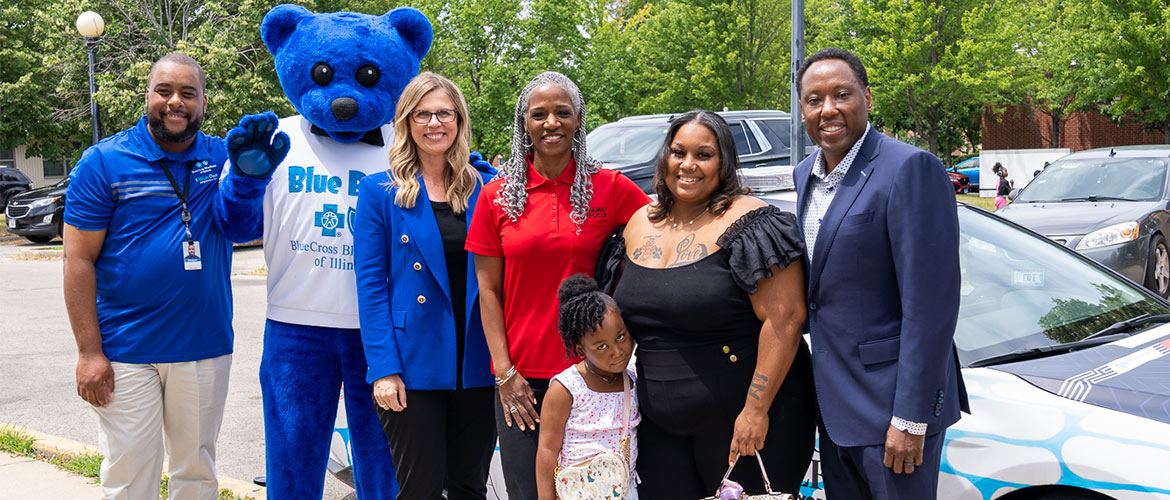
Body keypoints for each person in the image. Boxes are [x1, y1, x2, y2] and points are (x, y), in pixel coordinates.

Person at [63, 53, 287, 499]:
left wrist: (250, 178)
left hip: (203, 346)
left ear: (204, 102)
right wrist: (89, 352)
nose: (175, 102)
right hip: (126, 351)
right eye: (164, 91)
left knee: (196, 473)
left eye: (188, 93)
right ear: (147, 95)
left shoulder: (226, 156)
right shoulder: (104, 162)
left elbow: (244, 224)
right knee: (130, 475)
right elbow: (77, 260)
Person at [601, 110, 815, 498]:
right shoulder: (637, 223)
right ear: (664, 156)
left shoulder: (753, 221)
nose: (688, 165)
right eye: (679, 152)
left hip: (746, 425)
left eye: (704, 154)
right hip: (659, 427)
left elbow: (786, 320)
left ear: (725, 162)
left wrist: (755, 411)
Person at [465, 71, 650, 498]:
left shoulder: (610, 187)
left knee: (602, 492)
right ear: (523, 124)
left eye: (563, 112)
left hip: (596, 374)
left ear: (579, 119)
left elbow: (661, 234)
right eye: (540, 114)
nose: (552, 123)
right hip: (523, 380)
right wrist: (503, 372)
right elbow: (487, 291)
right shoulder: (495, 196)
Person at [793, 48, 968, 499]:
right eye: (814, 100)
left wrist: (911, 418)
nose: (827, 109)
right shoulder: (802, 176)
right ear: (802, 111)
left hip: (893, 411)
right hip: (835, 410)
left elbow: (931, 306)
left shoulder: (909, 168)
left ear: (867, 98)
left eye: (841, 94)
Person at [353, 72, 497, 499]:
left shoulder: (485, 188)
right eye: (423, 114)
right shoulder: (380, 191)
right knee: (420, 489)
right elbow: (371, 286)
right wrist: (383, 369)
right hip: (411, 365)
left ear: (459, 120)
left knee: (470, 486)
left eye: (444, 113)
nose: (435, 123)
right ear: (407, 122)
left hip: (477, 361)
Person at [536, 274, 641, 500]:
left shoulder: (632, 377)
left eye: (621, 336)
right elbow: (547, 450)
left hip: (624, 491)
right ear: (582, 351)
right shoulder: (566, 388)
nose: (617, 351)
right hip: (579, 492)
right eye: (601, 346)